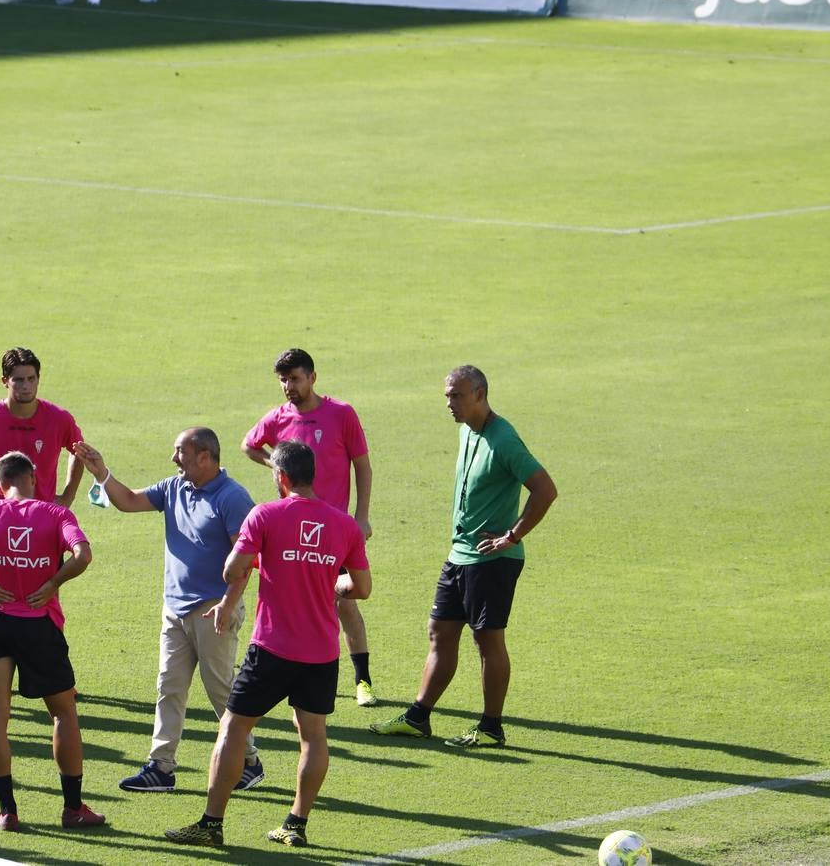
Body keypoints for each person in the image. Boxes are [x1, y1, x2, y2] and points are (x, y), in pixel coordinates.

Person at [165, 441, 370, 848]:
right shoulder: (343, 524)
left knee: (234, 727)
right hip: (321, 653)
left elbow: (232, 570)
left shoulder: (265, 515)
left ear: (281, 477)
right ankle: (296, 823)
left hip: (272, 648)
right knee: (313, 735)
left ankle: (211, 825)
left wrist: (247, 564)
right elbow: (360, 587)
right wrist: (332, 581)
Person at [369, 365, 556, 748]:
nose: (449, 404)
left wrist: (512, 535)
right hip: (460, 555)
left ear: (480, 395)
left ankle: (491, 727)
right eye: (447, 396)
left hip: (491, 560)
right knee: (440, 632)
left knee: (488, 641)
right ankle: (419, 717)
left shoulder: (504, 439)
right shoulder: (465, 431)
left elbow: (544, 489)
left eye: (457, 395)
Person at [71, 430, 265, 793]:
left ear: (206, 457)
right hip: (175, 608)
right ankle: (161, 766)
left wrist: (227, 603)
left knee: (220, 690)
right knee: (169, 685)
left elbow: (248, 559)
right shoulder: (175, 487)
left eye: (181, 453)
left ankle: (249, 761)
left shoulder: (233, 498)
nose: (174, 459)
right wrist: (101, 473)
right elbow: (128, 501)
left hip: (213, 609)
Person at [0, 451, 105, 832]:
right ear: (34, 478)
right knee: (63, 713)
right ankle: (73, 809)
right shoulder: (55, 514)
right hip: (39, 624)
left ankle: (7, 812)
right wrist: (52, 583)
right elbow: (83, 555)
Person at [242, 348, 378, 706]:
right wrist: (275, 462)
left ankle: (362, 680)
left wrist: (361, 516)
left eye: (295, 379)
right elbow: (248, 445)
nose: (288, 386)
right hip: (292, 524)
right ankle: (302, 672)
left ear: (312, 378)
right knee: (293, 597)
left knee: (344, 601)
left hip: (335, 529)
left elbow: (362, 467)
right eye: (283, 380)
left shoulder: (341, 414)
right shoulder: (278, 418)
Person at [0, 348, 84, 509]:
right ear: (5, 381)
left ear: (38, 379)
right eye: (18, 380)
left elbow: (79, 451)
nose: (26, 386)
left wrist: (68, 496)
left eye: (31, 379)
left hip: (44, 515)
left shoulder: (59, 419)